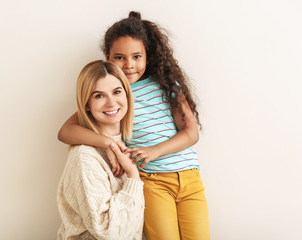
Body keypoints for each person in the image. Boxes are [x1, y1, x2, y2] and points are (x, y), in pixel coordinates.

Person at [58, 11, 210, 240]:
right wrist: (109, 144)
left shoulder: (167, 85)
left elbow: (191, 133)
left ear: (148, 56)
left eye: (137, 56)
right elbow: (66, 131)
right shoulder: (115, 92)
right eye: (120, 57)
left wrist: (154, 151)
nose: (129, 65)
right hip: (152, 181)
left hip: (190, 177)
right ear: (107, 56)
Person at [57, 60, 145, 240]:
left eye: (117, 92)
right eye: (99, 96)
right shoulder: (85, 157)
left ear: (127, 95)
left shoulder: (127, 145)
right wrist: (133, 177)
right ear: (86, 104)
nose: (111, 102)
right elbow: (108, 232)